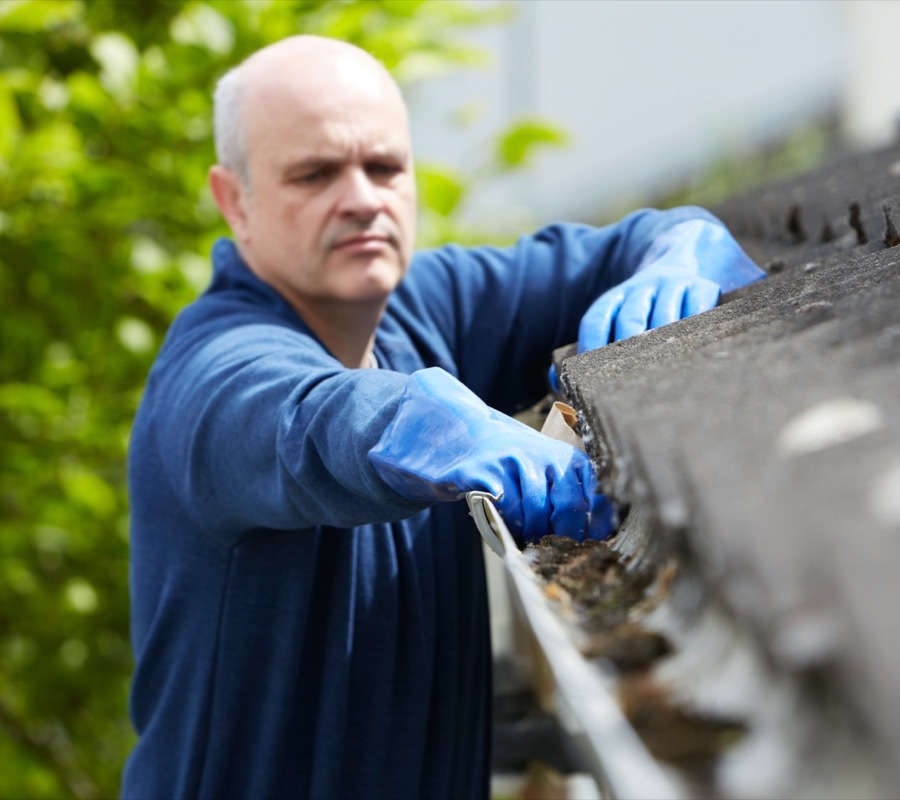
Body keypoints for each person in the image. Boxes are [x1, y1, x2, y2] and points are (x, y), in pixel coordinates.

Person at [123, 35, 764, 799]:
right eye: (314, 173)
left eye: (385, 166)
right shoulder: (210, 375)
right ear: (235, 201)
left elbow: (641, 243)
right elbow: (304, 419)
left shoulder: (431, 306)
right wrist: (417, 419)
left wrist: (684, 252)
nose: (362, 197)